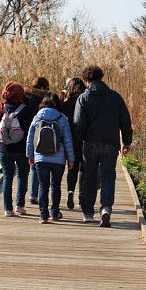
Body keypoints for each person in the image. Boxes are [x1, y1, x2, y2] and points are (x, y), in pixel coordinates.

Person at [74, 65, 133, 227]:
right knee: (108, 177)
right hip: (111, 144)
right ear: (101, 78)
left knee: (89, 177)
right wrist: (126, 142)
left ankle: (87, 213)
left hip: (90, 143)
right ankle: (106, 208)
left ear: (87, 80)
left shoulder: (84, 98)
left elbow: (78, 124)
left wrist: (82, 140)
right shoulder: (115, 97)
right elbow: (125, 120)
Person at [26, 92, 75, 224]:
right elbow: (68, 141)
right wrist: (71, 159)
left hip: (40, 158)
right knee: (56, 186)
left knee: (43, 186)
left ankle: (43, 215)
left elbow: (30, 138)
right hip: (58, 159)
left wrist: (30, 155)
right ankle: (54, 213)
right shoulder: (63, 118)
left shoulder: (37, 117)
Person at [0, 82, 34, 217]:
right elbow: (31, 130)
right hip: (22, 148)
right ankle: (20, 205)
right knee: (22, 176)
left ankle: (8, 209)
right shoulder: (27, 109)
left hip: (4, 148)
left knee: (7, 177)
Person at [62, 77, 87, 210]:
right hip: (84, 139)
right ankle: (81, 196)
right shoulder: (86, 102)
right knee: (83, 168)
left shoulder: (66, 104)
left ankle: (70, 191)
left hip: (69, 139)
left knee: (72, 167)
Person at [24, 77, 50, 204]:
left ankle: (23, 196)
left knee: (23, 167)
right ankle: (34, 195)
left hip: (23, 134)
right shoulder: (44, 100)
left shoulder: (24, 97)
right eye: (47, 88)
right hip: (38, 135)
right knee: (35, 166)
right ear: (42, 88)